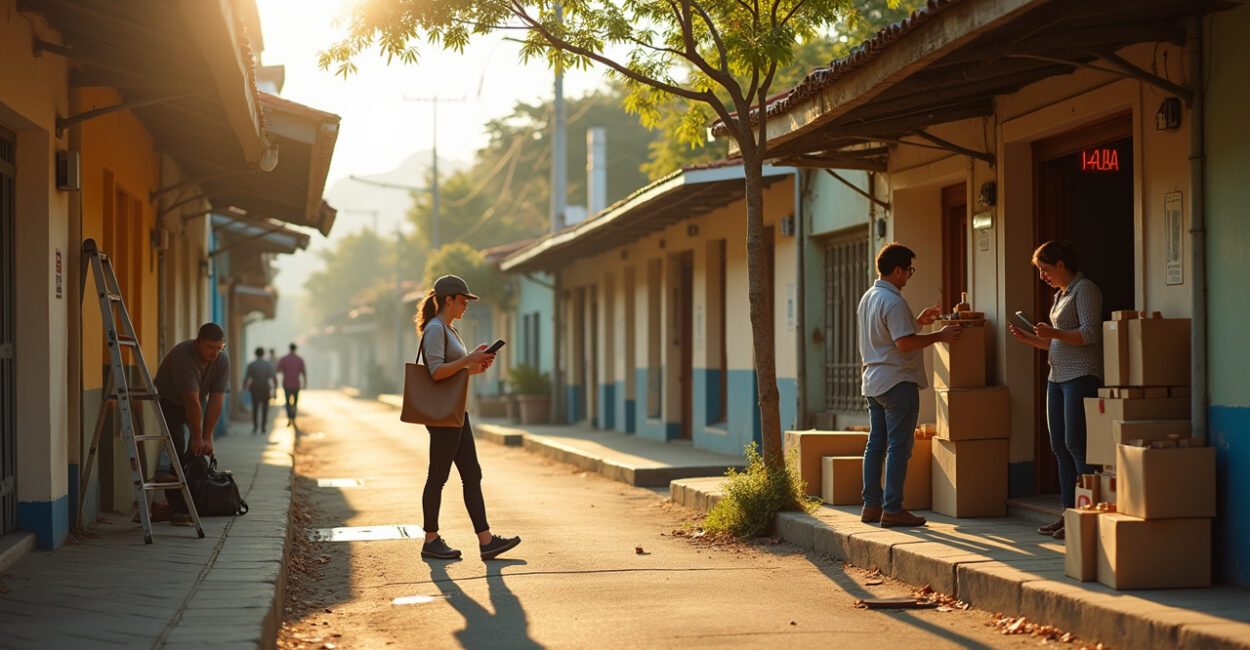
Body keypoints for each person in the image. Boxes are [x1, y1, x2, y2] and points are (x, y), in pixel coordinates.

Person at [417, 274, 521, 561]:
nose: (466, 306)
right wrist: (467, 361)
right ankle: (431, 539)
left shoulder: (450, 330)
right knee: (437, 477)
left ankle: (486, 541)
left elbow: (457, 371)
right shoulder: (436, 329)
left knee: (472, 474)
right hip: (443, 415)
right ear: (448, 300)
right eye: (463, 301)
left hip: (456, 411)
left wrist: (477, 364)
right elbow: (436, 372)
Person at [858, 243, 962, 528]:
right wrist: (939, 335)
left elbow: (892, 335)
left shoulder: (870, 297)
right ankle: (892, 509)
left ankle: (871, 505)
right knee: (898, 448)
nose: (909, 277)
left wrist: (918, 321)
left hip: (874, 382)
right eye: (908, 271)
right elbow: (903, 344)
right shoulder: (892, 301)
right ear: (897, 270)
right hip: (897, 381)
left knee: (875, 445)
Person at [1008, 240, 1103, 541]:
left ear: (1061, 264)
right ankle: (1066, 513)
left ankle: (1086, 512)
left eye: (1045, 269)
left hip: (1081, 376)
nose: (1042, 276)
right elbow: (1057, 341)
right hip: (1057, 377)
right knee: (1059, 446)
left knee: (1077, 444)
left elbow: (1090, 334)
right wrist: (1032, 340)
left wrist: (1052, 333)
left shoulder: (1085, 289)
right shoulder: (1060, 295)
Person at [153, 322, 230, 524]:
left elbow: (216, 399)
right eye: (210, 348)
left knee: (197, 453)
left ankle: (194, 500)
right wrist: (197, 436)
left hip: (198, 400)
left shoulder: (222, 360)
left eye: (219, 348)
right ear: (198, 343)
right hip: (169, 400)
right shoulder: (183, 355)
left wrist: (207, 437)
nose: (215, 353)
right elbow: (190, 399)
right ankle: (177, 509)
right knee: (176, 447)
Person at [243, 347, 278, 435]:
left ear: (255, 354)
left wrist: (244, 388)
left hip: (254, 388)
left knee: (255, 408)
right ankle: (263, 427)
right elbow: (274, 378)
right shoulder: (268, 364)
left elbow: (246, 378)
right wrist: (275, 390)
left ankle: (255, 426)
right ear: (263, 354)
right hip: (265, 388)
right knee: (265, 408)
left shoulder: (251, 364)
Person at [277, 343, 306, 429]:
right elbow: (303, 372)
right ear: (296, 349)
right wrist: (305, 382)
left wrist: (285, 372)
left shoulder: (284, 359)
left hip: (287, 384)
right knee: (295, 403)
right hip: (296, 384)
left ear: (289, 348)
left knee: (288, 403)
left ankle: (290, 418)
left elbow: (278, 369)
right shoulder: (299, 359)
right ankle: (293, 418)